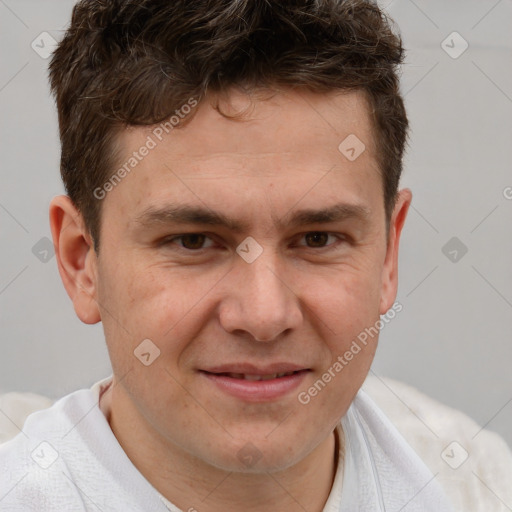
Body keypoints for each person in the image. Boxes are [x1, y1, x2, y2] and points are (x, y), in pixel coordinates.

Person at [0, 0, 458, 510]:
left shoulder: (478, 483)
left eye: (317, 238)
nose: (264, 316)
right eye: (194, 240)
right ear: (82, 262)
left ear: (389, 256)